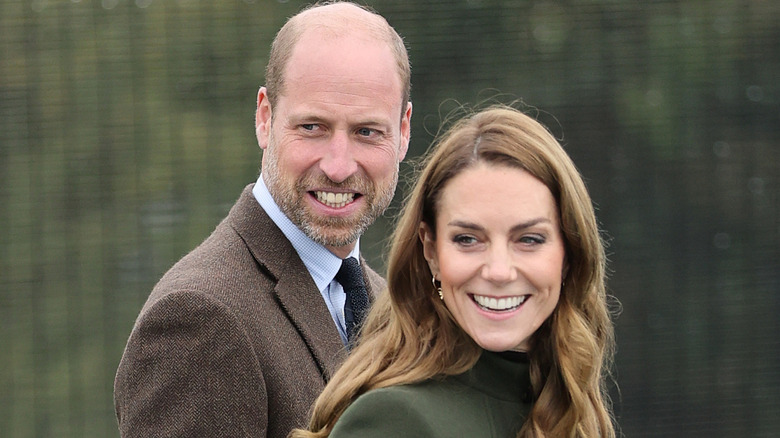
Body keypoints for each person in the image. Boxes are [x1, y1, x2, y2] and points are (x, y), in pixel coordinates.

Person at [113, 2, 412, 437]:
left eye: (367, 132)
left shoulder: (389, 308)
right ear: (264, 117)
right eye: (313, 127)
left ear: (403, 132)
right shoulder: (200, 319)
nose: (339, 165)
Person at [291, 105, 616, 438]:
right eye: (468, 239)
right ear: (430, 250)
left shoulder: (572, 408)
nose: (499, 271)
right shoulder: (394, 421)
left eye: (529, 239)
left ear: (569, 253)